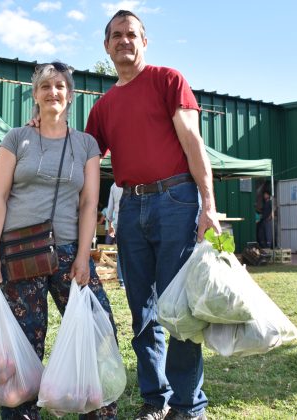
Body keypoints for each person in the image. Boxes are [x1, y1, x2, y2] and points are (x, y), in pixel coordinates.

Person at [84, 10, 221, 420]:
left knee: (177, 307)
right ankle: (155, 399)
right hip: (130, 206)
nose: (124, 41)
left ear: (145, 41)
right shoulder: (104, 105)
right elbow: (85, 160)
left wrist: (207, 205)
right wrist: (42, 128)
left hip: (175, 199)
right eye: (116, 36)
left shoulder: (168, 80)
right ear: (106, 46)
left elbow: (193, 142)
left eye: (132, 34)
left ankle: (187, 405)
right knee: (141, 309)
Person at [0, 61, 119, 420]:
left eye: (60, 86)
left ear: (70, 96)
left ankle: (97, 409)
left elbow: (90, 202)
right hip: (20, 252)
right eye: (46, 86)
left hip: (69, 252)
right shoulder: (17, 138)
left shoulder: (86, 145)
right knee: (25, 342)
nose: (53, 92)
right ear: (35, 95)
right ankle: (21, 413)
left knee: (98, 328)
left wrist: (83, 253)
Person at [105, 183, 125, 289]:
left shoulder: (114, 185)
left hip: (118, 220)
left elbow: (110, 207)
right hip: (132, 220)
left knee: (121, 251)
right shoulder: (133, 180)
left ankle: (122, 281)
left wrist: (110, 224)